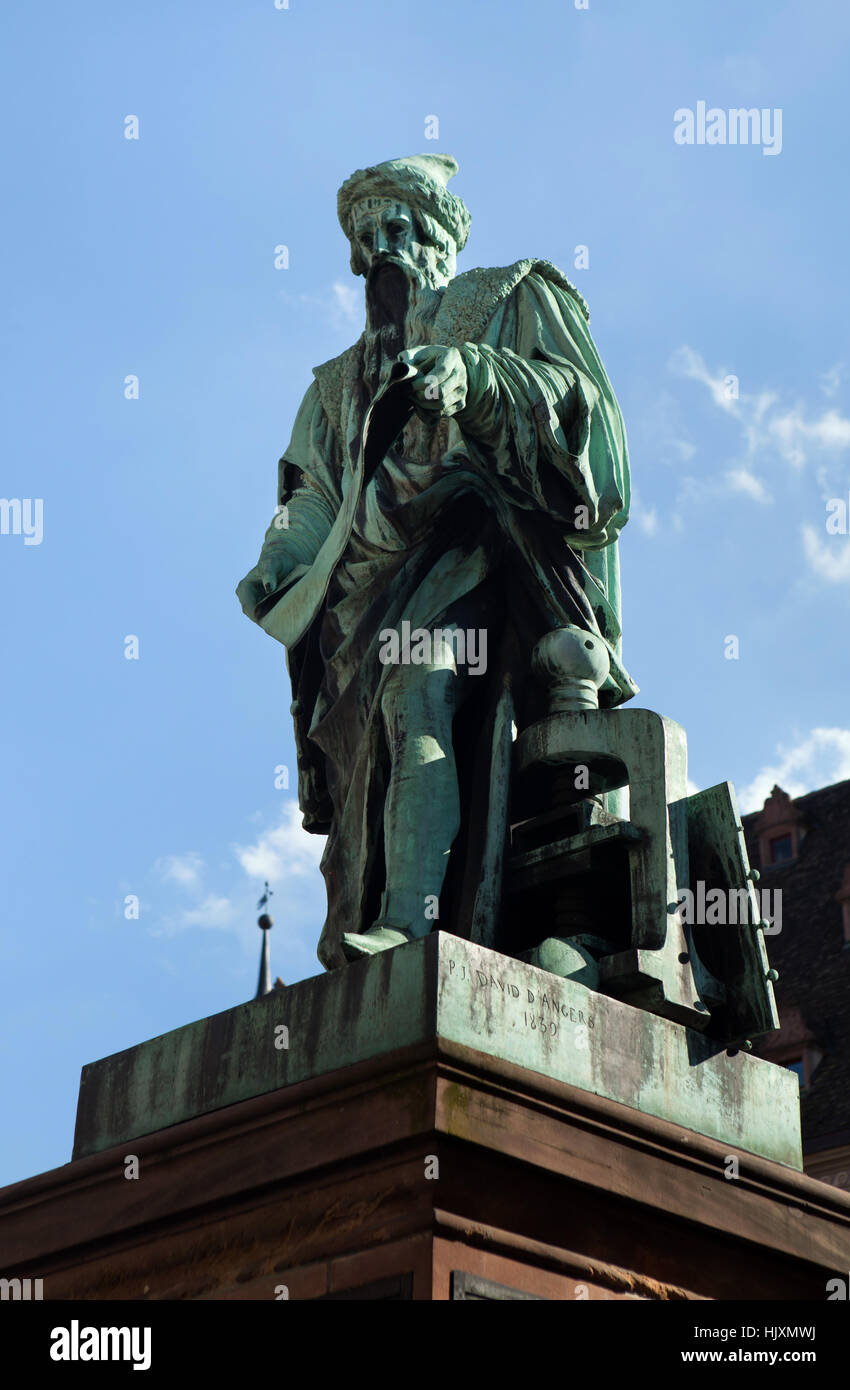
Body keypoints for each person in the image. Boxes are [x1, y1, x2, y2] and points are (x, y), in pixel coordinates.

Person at [237, 154, 636, 969]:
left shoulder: (510, 297)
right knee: (385, 736)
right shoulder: (336, 384)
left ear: (442, 240)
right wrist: (283, 552)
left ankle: (412, 925)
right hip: (371, 586)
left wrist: (481, 377)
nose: (381, 251)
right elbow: (317, 490)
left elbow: (584, 410)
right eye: (366, 239)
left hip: (494, 551)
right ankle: (410, 924)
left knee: (418, 689)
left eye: (399, 230)